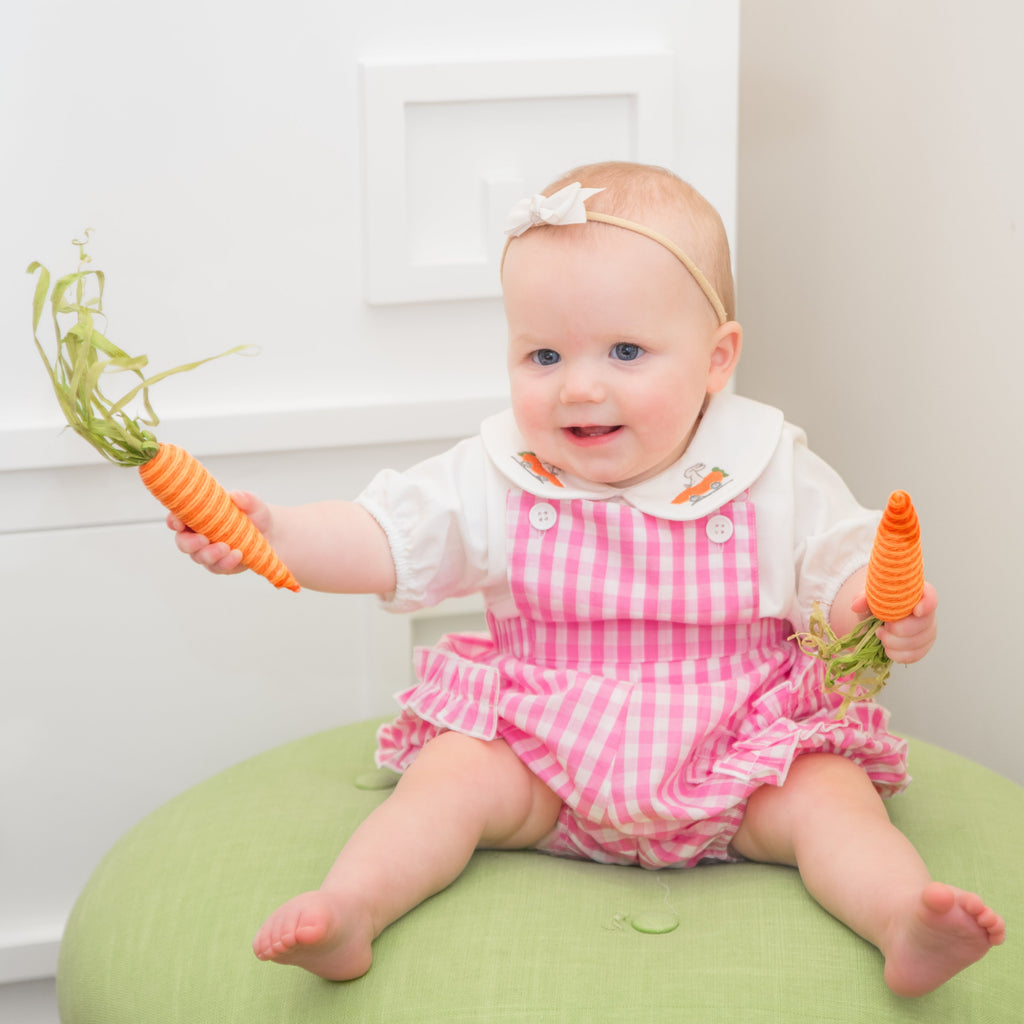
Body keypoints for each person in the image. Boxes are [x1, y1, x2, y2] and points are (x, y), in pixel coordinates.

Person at [169, 162, 1004, 996]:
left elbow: (840, 565)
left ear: (717, 359)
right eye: (543, 354)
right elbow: (384, 538)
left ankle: (902, 919)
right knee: (448, 781)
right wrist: (271, 534)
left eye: (627, 351)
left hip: (739, 756)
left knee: (832, 799)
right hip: (543, 758)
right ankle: (350, 908)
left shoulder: (763, 465)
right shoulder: (505, 472)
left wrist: (880, 607)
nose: (580, 385)